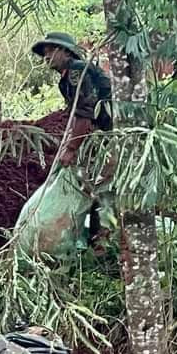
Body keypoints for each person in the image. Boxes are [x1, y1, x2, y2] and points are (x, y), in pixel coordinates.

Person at [29, 32, 113, 248]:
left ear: (65, 51)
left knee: (100, 185)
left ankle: (102, 240)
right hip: (99, 135)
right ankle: (96, 239)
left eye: (50, 51)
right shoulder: (65, 81)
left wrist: (72, 148)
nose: (46, 57)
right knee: (92, 185)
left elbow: (85, 114)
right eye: (44, 53)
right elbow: (75, 115)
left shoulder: (77, 71)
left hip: (110, 134)